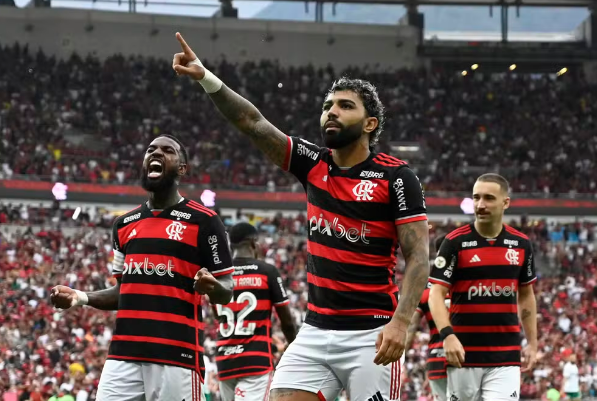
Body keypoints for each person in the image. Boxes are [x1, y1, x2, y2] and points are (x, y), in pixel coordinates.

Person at [172, 33, 430, 401]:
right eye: (327, 105)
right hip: (314, 331)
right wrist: (206, 77)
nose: (331, 112)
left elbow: (418, 255)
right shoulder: (312, 163)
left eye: (345, 106)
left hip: (369, 335)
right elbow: (252, 122)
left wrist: (401, 322)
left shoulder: (396, 177)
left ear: (370, 124)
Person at [50, 135, 234, 401]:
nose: (156, 153)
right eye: (150, 150)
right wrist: (79, 297)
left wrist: (212, 286)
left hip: (176, 355)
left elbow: (227, 290)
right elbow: (122, 291)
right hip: (123, 354)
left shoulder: (204, 221)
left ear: (182, 168)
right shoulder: (124, 224)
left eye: (167, 150)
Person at [427, 173, 538, 401]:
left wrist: (533, 344)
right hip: (463, 354)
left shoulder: (521, 244)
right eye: (476, 197)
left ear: (505, 202)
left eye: (488, 198)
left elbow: (526, 296)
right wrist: (447, 336)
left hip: (506, 356)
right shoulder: (454, 242)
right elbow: (436, 294)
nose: (480, 205)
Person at [215, 222, 298, 401]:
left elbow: (218, 315)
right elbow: (287, 322)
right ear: (253, 243)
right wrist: (295, 347)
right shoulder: (267, 271)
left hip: (225, 360)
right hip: (255, 362)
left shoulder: (221, 275)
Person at [405, 235, 450, 401]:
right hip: (469, 360)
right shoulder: (469, 284)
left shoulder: (425, 288)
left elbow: (410, 329)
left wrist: (400, 360)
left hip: (437, 360)